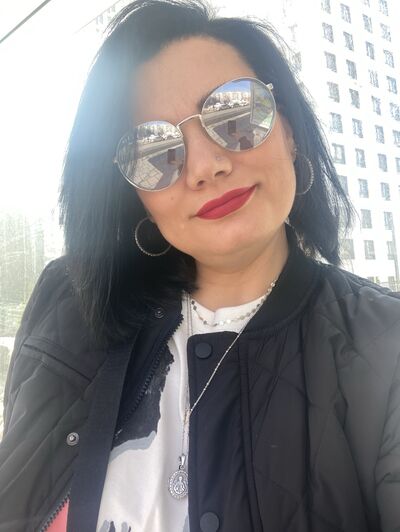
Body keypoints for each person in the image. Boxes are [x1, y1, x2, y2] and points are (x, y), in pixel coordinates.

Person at [1, 1, 399, 531]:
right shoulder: (66, 300)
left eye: (235, 116)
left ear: (290, 130)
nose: (206, 167)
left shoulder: (387, 345)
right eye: (154, 149)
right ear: (135, 195)